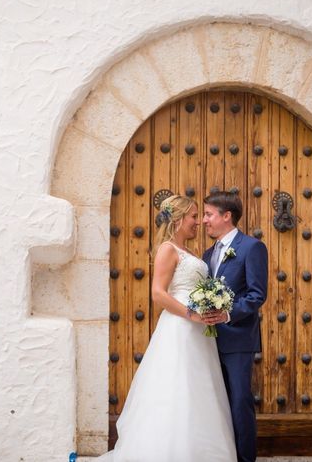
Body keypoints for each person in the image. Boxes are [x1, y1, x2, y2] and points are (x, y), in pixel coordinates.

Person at [96, 195, 235, 461]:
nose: (199, 222)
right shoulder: (168, 249)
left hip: (199, 331)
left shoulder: (192, 253)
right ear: (180, 219)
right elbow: (158, 294)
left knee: (199, 386)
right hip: (179, 328)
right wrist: (191, 314)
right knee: (176, 385)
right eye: (194, 216)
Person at [200, 192, 268, 462]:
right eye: (204, 215)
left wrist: (227, 315)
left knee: (239, 402)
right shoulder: (207, 253)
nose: (204, 220)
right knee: (215, 402)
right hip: (207, 340)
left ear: (226, 216)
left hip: (238, 339)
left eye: (209, 214)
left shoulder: (252, 247)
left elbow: (256, 294)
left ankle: (245, 459)